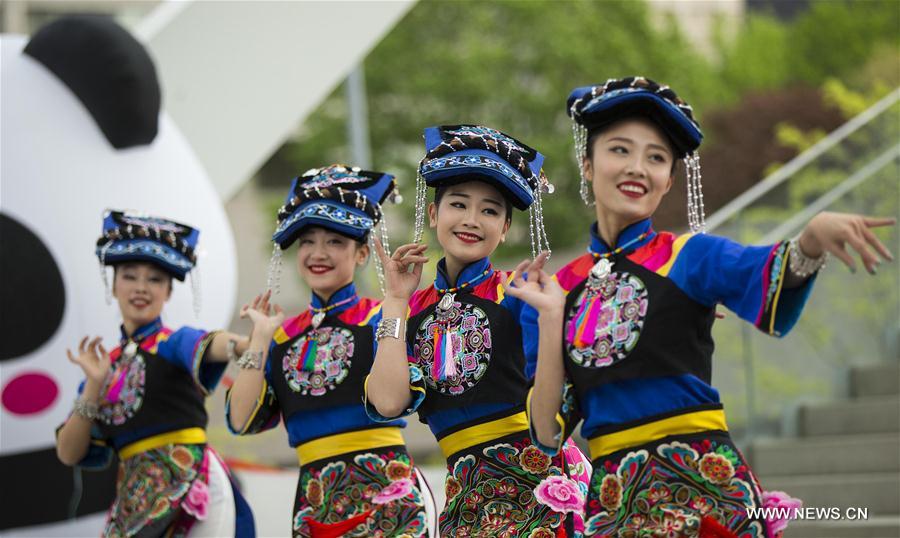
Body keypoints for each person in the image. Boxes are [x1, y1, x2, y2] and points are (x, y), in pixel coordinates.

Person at [510, 76, 896, 537]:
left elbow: (761, 268)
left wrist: (810, 240)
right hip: (616, 502)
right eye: (620, 150)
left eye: (656, 157)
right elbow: (547, 431)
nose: (637, 167)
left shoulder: (689, 256)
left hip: (704, 489)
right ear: (587, 164)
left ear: (669, 179)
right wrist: (552, 319)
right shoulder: (559, 291)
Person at [366, 125, 591, 537]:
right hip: (467, 501)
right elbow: (387, 402)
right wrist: (396, 301)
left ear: (505, 228)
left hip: (546, 494)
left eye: (489, 211)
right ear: (434, 214)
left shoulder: (518, 293)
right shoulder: (408, 312)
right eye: (458, 204)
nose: (472, 220)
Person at [226, 165, 435, 538]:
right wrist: (259, 337)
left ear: (361, 254)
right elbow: (241, 420)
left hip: (388, 490)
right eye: (307, 241)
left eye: (335, 242)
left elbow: (394, 400)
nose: (317, 253)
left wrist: (394, 307)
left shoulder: (378, 317)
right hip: (315, 498)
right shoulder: (281, 334)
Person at [56, 210, 255, 537]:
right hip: (136, 498)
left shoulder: (172, 342)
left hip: (192, 486)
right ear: (114, 284)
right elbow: (68, 452)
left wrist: (247, 344)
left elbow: (213, 343)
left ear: (168, 292)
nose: (141, 288)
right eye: (130, 276)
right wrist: (93, 386)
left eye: (155, 279)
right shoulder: (104, 366)